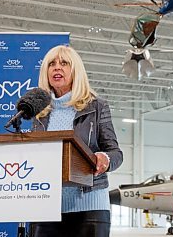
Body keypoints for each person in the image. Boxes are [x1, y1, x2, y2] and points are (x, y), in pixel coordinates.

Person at [30, 45, 123, 237]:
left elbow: (115, 153)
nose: (57, 68)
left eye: (64, 63)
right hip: (46, 207)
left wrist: (104, 158)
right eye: (52, 64)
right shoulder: (39, 112)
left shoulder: (97, 106)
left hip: (90, 206)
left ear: (76, 71)